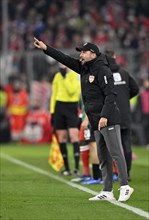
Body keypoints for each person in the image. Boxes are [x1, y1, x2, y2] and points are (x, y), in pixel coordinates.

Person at [34, 38, 134, 202]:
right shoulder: (85, 68)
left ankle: (125, 186)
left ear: (93, 54)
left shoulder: (103, 70)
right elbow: (64, 58)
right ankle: (107, 190)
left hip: (107, 118)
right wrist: (46, 48)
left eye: (84, 52)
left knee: (115, 153)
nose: (81, 54)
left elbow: (111, 95)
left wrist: (104, 115)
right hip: (95, 120)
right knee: (103, 156)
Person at [105, 49, 139, 181]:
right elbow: (135, 89)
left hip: (110, 113)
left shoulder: (103, 74)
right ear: (115, 57)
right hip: (124, 114)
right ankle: (127, 174)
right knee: (126, 144)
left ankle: (113, 173)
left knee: (110, 145)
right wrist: (125, 98)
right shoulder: (124, 73)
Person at [50, 63, 81, 176]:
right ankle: (67, 168)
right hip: (59, 107)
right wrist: (52, 112)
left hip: (71, 106)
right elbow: (54, 94)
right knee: (61, 137)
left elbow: (72, 91)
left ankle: (77, 167)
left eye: (64, 64)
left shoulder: (75, 75)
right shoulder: (57, 76)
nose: (62, 67)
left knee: (74, 135)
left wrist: (65, 77)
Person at [71, 100, 103, 184]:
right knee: (88, 146)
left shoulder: (90, 87)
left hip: (92, 119)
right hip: (94, 118)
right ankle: (95, 175)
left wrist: (86, 119)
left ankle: (97, 177)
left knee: (94, 146)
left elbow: (92, 103)